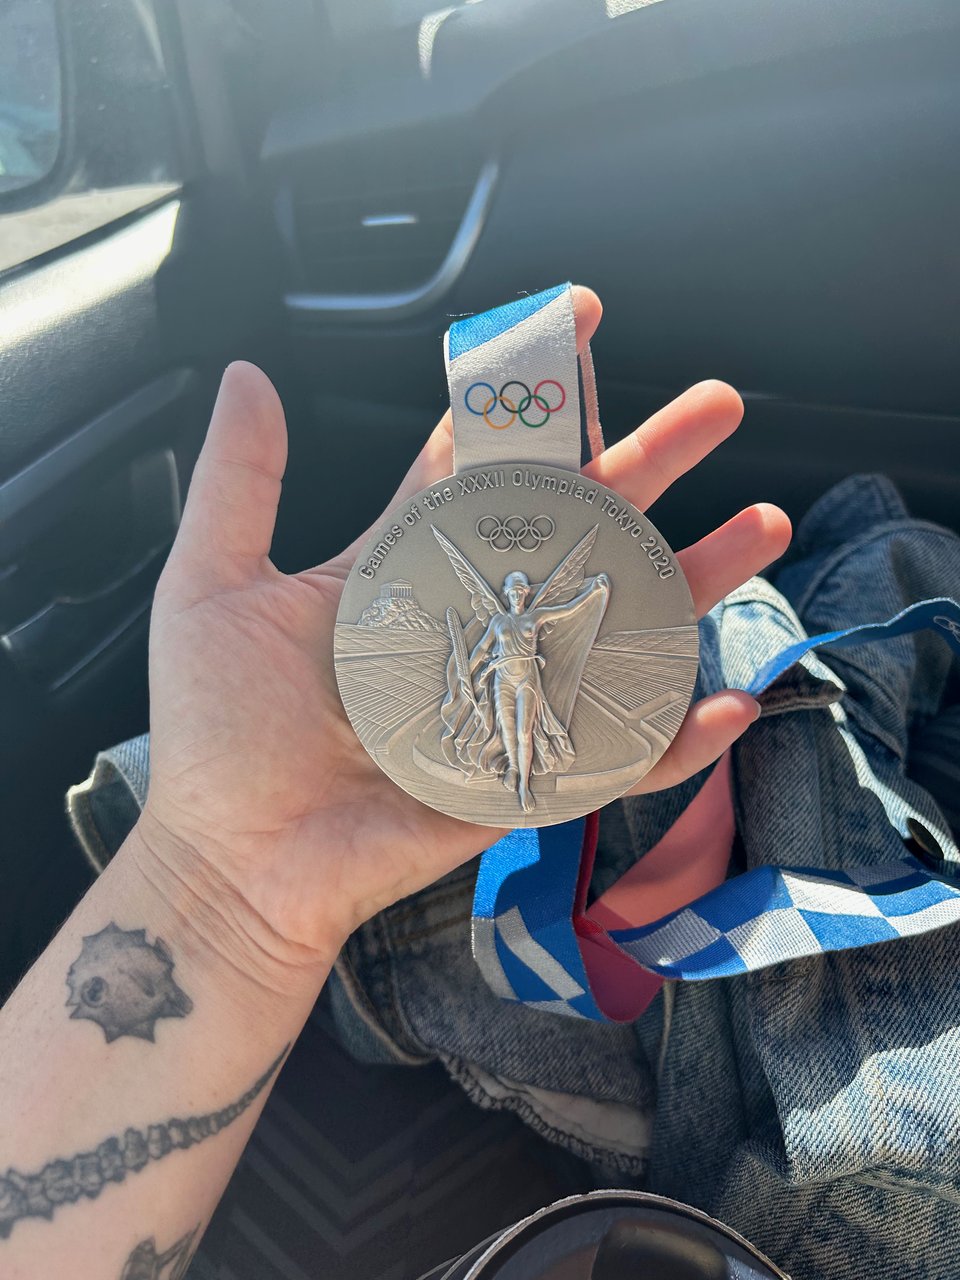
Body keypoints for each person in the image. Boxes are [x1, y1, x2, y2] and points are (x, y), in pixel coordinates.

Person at [0, 288, 791, 1275]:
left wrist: (219, 886)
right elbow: (477, 636)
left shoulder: (530, 616)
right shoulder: (496, 617)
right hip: (483, 703)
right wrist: (215, 875)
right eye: (505, 587)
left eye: (516, 588)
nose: (511, 591)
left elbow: (563, 619)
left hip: (530, 702)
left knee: (529, 728)